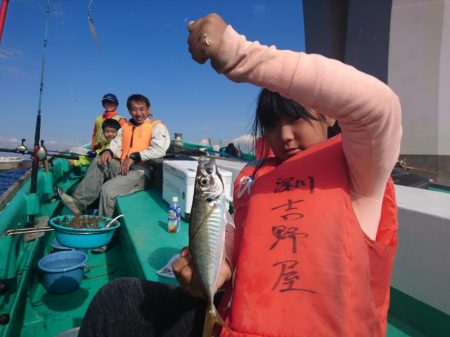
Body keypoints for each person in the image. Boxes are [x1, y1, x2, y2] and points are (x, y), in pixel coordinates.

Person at [78, 13, 402, 337]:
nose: (285, 136)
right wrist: (222, 267)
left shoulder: (361, 172)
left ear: (328, 113)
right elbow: (242, 229)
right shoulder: (257, 178)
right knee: (116, 300)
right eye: (272, 126)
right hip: (232, 321)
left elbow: (380, 106)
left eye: (296, 119)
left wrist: (238, 53)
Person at [58, 94, 170, 218]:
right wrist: (108, 151)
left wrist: (134, 157)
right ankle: (78, 203)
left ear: (149, 110)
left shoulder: (157, 126)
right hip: (123, 167)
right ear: (129, 111)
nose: (138, 113)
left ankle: (105, 225)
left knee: (108, 189)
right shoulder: (125, 127)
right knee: (99, 160)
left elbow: (159, 150)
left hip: (142, 173)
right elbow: (116, 144)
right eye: (134, 109)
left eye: (142, 109)